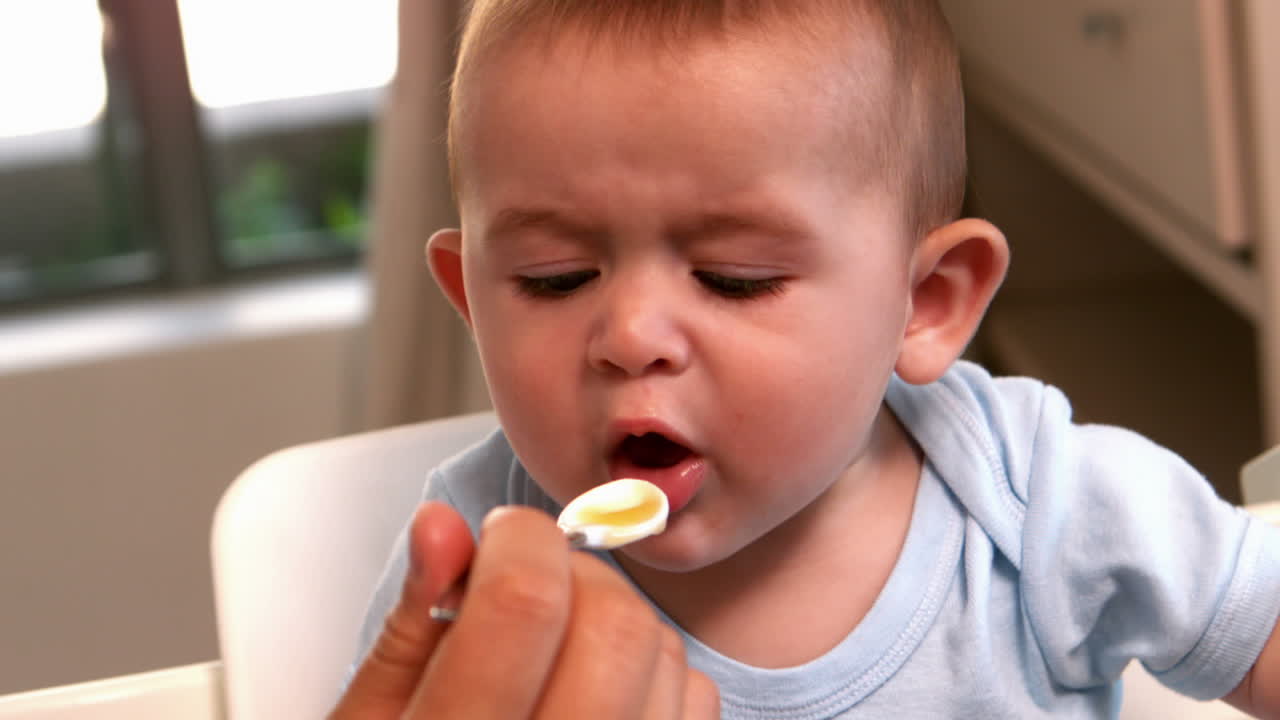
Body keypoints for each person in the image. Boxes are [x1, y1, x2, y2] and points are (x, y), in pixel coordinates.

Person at [331, 0, 1280, 717]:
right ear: (471, 302)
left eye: (734, 280)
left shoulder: (1039, 502)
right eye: (555, 279)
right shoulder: (478, 563)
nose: (630, 338)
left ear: (926, 302)